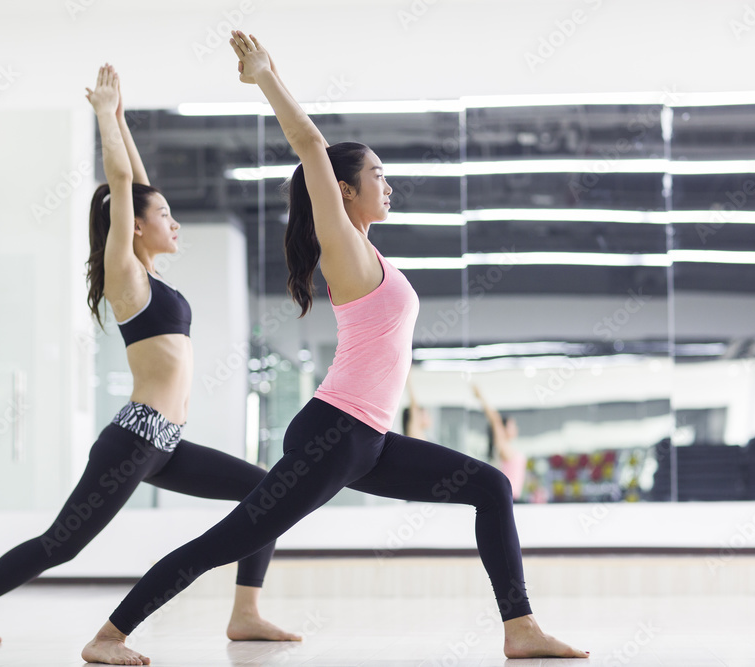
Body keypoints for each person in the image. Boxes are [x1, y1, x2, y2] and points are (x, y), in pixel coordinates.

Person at [79, 37, 589, 664]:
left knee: (488, 485)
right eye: (377, 174)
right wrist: (267, 76)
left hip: (368, 439)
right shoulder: (343, 245)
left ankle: (519, 627)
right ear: (343, 192)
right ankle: (110, 635)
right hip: (335, 435)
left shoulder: (373, 254)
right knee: (228, 539)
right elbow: (311, 147)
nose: (388, 184)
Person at [0, 64, 297, 646]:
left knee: (265, 488)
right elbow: (125, 184)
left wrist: (123, 118)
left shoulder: (153, 273)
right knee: (64, 543)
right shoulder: (124, 275)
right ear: (132, 229)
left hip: (167, 442)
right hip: (134, 440)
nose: (174, 222)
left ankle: (245, 612)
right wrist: (104, 117)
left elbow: (139, 183)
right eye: (164, 217)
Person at [472, 383, 526, 501]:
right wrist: (480, 396)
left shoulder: (509, 448)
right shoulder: (503, 447)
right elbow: (495, 420)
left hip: (513, 497)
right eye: (513, 425)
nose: (516, 428)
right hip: (509, 498)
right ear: (504, 429)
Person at [403, 373, 433, 440]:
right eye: (427, 415)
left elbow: (414, 407)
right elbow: (414, 407)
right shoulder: (415, 433)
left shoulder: (417, 433)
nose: (430, 419)